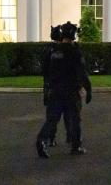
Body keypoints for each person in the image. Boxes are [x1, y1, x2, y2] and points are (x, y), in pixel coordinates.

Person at [36, 21, 92, 158]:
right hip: (71, 91)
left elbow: (47, 71)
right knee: (75, 119)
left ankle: (41, 140)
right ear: (73, 34)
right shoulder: (74, 51)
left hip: (55, 90)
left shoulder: (55, 51)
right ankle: (76, 145)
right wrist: (88, 89)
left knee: (52, 120)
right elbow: (82, 72)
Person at [43, 25, 71, 147]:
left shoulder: (49, 50)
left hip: (51, 85)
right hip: (60, 86)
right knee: (67, 113)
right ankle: (69, 136)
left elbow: (45, 70)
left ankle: (51, 137)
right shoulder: (61, 51)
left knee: (52, 115)